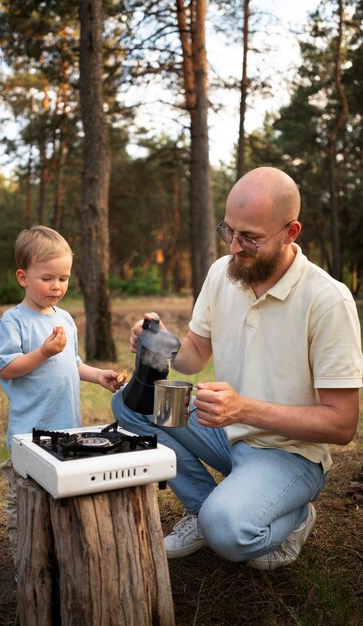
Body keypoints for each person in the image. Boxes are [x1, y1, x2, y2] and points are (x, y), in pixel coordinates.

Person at [111, 166, 362, 571]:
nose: (234, 247)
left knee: (228, 534)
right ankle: (201, 507)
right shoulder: (222, 274)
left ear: (291, 232)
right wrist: (160, 344)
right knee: (131, 405)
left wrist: (243, 409)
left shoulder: (328, 300)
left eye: (250, 238)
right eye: (228, 231)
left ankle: (294, 516)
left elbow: (342, 425)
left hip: (289, 454)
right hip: (223, 431)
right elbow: (194, 353)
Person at [0, 225, 122, 567]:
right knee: (25, 500)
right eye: (47, 278)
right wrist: (43, 353)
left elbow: (74, 362)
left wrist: (99, 376)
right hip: (28, 433)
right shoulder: (14, 321)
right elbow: (7, 368)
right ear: (23, 277)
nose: (56, 286)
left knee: (63, 494)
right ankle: (26, 563)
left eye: (63, 278)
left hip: (67, 430)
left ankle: (60, 558)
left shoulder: (64, 318)